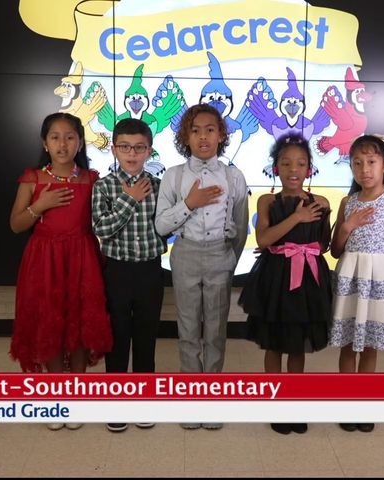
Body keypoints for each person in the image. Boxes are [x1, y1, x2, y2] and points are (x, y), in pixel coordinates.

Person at [9, 112, 113, 430]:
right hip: (44, 260)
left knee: (80, 324)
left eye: (70, 136)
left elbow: (101, 222)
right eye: (55, 137)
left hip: (82, 259)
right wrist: (39, 206)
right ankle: (56, 398)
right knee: (49, 322)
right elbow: (16, 225)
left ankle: (75, 393)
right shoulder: (33, 178)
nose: (62, 143)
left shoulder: (91, 179)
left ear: (80, 141)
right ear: (45, 142)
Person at [154, 104, 249, 430]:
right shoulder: (174, 175)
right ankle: (191, 398)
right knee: (188, 329)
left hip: (220, 257)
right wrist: (189, 204)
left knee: (215, 331)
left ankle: (212, 397)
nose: (203, 136)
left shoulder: (234, 176)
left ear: (221, 134)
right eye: (195, 130)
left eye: (210, 129)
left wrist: (229, 259)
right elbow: (161, 225)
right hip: (186, 256)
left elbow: (240, 227)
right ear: (185, 136)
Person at [238, 134, 332, 435]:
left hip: (307, 279)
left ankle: (293, 400)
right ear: (275, 167)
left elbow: (324, 244)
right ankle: (274, 402)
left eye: (301, 163)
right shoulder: (268, 200)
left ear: (310, 169)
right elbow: (264, 239)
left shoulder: (322, 202)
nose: (294, 168)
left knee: (298, 341)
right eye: (286, 162)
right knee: (274, 340)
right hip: (276, 278)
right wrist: (297, 217)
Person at [329, 134, 384, 433]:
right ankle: (346, 404)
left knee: (369, 346)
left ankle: (364, 405)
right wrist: (348, 226)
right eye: (357, 163)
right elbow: (336, 249)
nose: (364, 169)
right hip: (351, 279)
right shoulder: (347, 202)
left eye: (371, 162)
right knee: (347, 344)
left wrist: (379, 258)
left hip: (378, 280)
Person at [92, 118, 165, 433]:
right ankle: (117, 403)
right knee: (118, 337)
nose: (131, 154)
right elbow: (101, 229)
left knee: (146, 337)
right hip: (117, 270)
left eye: (138, 148)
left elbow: (167, 227)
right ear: (114, 148)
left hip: (150, 269)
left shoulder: (160, 186)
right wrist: (129, 199)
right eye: (125, 147)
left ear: (148, 150)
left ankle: (144, 401)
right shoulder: (104, 186)